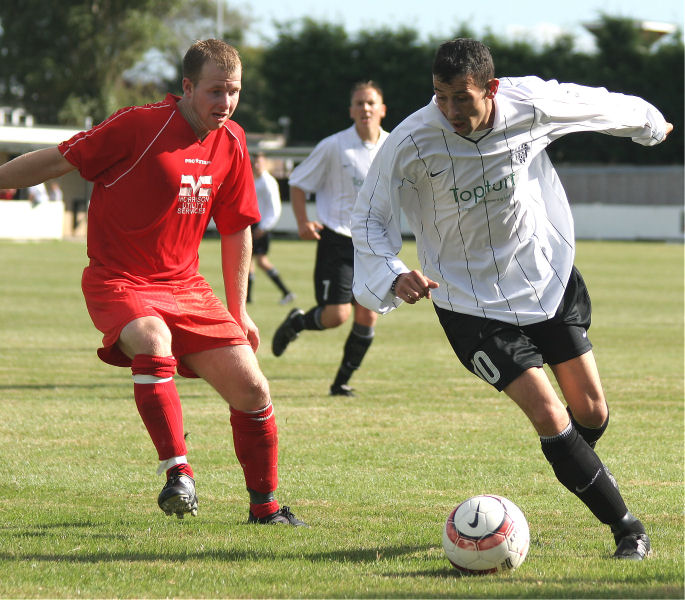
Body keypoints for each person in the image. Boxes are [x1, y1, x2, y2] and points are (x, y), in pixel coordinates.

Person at [351, 38, 672, 559]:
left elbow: (592, 102)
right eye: (440, 96)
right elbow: (368, 215)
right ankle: (628, 528)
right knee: (548, 412)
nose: (450, 111)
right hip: (468, 302)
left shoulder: (529, 102)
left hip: (543, 275)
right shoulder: (411, 139)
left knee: (589, 413)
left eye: (462, 98)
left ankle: (573, 463)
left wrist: (649, 124)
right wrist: (392, 275)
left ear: (491, 89)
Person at [0, 39, 305, 526]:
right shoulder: (138, 124)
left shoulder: (233, 141)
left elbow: (236, 228)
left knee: (253, 391)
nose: (224, 103)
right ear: (186, 87)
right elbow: (59, 160)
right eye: (214, 91)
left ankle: (266, 510)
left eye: (234, 92)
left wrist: (239, 309)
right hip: (119, 280)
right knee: (152, 338)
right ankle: (177, 472)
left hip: (186, 287)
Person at [272, 81, 389, 397]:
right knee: (337, 315)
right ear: (351, 110)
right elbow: (297, 182)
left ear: (382, 110)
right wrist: (302, 222)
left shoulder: (393, 147)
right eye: (359, 103)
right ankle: (297, 323)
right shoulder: (334, 146)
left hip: (375, 245)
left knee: (368, 314)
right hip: (337, 240)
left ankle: (341, 382)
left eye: (371, 103)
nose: (365, 108)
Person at [248, 151, 295, 305]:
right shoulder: (256, 180)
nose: (256, 165)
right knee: (249, 261)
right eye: (255, 162)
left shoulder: (268, 182)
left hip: (261, 225)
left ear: (266, 164)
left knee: (260, 261)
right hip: (254, 224)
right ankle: (248, 298)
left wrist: (264, 227)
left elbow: (275, 208)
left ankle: (286, 292)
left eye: (259, 162)